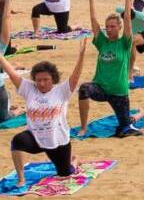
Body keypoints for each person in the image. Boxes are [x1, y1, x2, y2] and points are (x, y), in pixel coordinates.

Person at [5, 40, 88, 184]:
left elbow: (75, 76)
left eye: (46, 80)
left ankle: (75, 161)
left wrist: (81, 56)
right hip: (36, 138)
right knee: (17, 141)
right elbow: (11, 73)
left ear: (53, 79)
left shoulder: (61, 91)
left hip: (58, 141)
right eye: (38, 80)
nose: (41, 83)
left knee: (65, 174)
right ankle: (21, 178)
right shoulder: (29, 88)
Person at [80, 0, 144, 138]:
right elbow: (93, 20)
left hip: (119, 93)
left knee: (125, 126)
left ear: (119, 27)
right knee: (83, 89)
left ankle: (140, 114)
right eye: (107, 27)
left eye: (112, 27)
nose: (108, 29)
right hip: (101, 89)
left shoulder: (124, 43)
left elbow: (128, 20)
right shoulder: (102, 42)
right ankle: (83, 127)